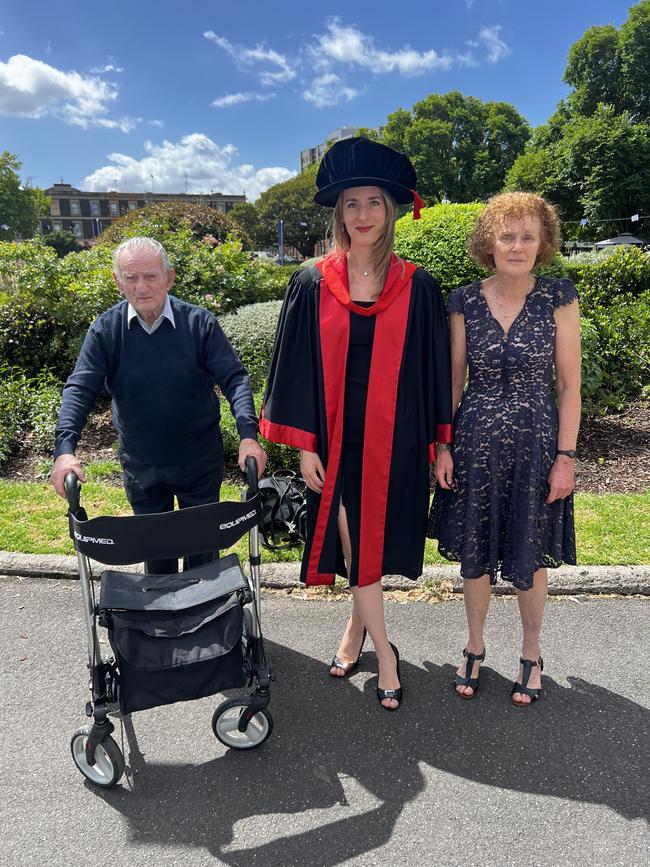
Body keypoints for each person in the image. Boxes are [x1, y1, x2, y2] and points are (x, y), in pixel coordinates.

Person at [261, 137, 453, 710]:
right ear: (339, 214)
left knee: (372, 541)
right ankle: (387, 655)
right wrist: (303, 447)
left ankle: (354, 631)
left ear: (390, 211)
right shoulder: (312, 281)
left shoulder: (417, 286)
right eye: (351, 204)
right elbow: (292, 368)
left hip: (395, 439)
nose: (362, 214)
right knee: (355, 539)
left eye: (373, 203)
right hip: (338, 439)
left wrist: (440, 442)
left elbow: (435, 371)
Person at [428, 192, 581, 706]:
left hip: (538, 447)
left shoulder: (560, 296)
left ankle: (532, 652)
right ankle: (474, 646)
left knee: (529, 553)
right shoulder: (464, 300)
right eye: (507, 235)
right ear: (488, 243)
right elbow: (452, 381)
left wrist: (566, 457)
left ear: (543, 244)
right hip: (473, 443)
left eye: (528, 236)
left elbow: (569, 387)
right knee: (474, 554)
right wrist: (443, 446)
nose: (517, 245)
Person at [50, 236, 266, 572]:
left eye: (150, 276)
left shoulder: (199, 324)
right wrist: (65, 450)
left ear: (169, 277)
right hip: (142, 463)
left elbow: (235, 379)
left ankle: (203, 623)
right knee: (157, 559)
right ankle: (164, 624)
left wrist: (248, 437)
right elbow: (80, 388)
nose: (141, 287)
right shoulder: (105, 331)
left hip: (198, 459)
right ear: (117, 280)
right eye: (130, 277)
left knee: (202, 560)